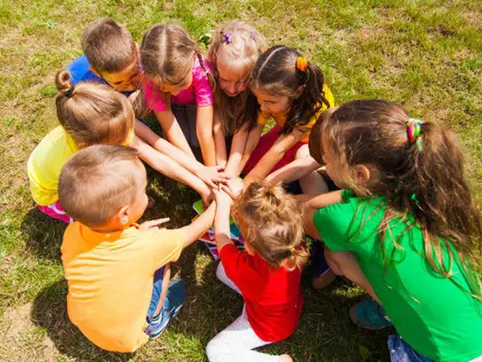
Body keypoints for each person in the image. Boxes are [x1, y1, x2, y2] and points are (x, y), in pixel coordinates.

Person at [304, 100, 482, 362]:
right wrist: (354, 192)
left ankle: (388, 305)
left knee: (337, 257)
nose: (323, 160)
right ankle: (392, 305)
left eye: (327, 155)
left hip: (440, 356)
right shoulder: (417, 184)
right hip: (477, 328)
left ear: (361, 174)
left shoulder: (342, 220)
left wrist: (351, 271)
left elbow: (311, 210)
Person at [59, 145, 217, 352]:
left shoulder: (73, 231)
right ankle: (155, 321)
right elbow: (193, 231)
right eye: (143, 191)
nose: (146, 194)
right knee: (165, 265)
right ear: (123, 214)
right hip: (126, 337)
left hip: (85, 321)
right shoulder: (149, 245)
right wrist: (220, 203)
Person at [27, 72, 214, 223]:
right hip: (55, 194)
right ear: (92, 145)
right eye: (120, 138)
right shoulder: (79, 163)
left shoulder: (103, 125)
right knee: (103, 215)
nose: (128, 138)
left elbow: (154, 149)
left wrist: (201, 177)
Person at [206, 180, 305, 362]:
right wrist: (243, 203)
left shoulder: (249, 271)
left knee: (216, 351)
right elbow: (266, 220)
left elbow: (222, 239)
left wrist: (222, 203)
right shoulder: (290, 242)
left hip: (267, 327)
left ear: (249, 247)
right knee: (222, 271)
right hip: (283, 309)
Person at [224, 46, 334, 187]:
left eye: (270, 102)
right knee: (250, 165)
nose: (262, 107)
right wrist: (235, 172)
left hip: (310, 141)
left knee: (284, 176)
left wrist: (246, 185)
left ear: (298, 92)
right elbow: (254, 130)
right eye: (259, 99)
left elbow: (279, 148)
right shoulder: (268, 90)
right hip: (287, 129)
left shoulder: (313, 109)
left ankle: (322, 170)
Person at [140, 24, 218, 166]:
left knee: (196, 141)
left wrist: (211, 169)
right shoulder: (150, 80)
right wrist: (197, 170)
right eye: (165, 89)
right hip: (173, 109)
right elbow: (171, 127)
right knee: (177, 145)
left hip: (195, 106)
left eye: (181, 84)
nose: (175, 92)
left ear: (193, 57)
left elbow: (204, 132)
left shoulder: (200, 71)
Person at [205, 20, 268, 165]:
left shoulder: (255, 91)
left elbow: (243, 129)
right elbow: (216, 126)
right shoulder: (209, 79)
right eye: (225, 80)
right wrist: (221, 167)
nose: (233, 89)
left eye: (242, 81)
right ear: (215, 68)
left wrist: (230, 173)